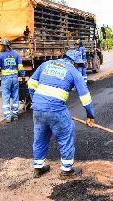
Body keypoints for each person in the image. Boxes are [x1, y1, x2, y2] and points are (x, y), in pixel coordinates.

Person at [28, 50, 95, 178]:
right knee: (66, 134)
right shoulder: (73, 71)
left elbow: (31, 84)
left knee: (40, 135)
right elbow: (85, 97)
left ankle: (38, 167)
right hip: (56, 109)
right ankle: (66, 170)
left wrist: (36, 101)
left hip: (37, 108)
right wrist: (90, 115)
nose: (78, 67)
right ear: (74, 62)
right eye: (78, 64)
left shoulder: (46, 64)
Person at [0, 39, 25, 123]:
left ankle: (8, 117)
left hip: (5, 79)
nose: (1, 47)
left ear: (5, 46)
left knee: (6, 97)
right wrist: (23, 76)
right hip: (14, 78)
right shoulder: (16, 54)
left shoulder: (1, 56)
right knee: (15, 96)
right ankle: (15, 115)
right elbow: (20, 67)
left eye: (1, 45)